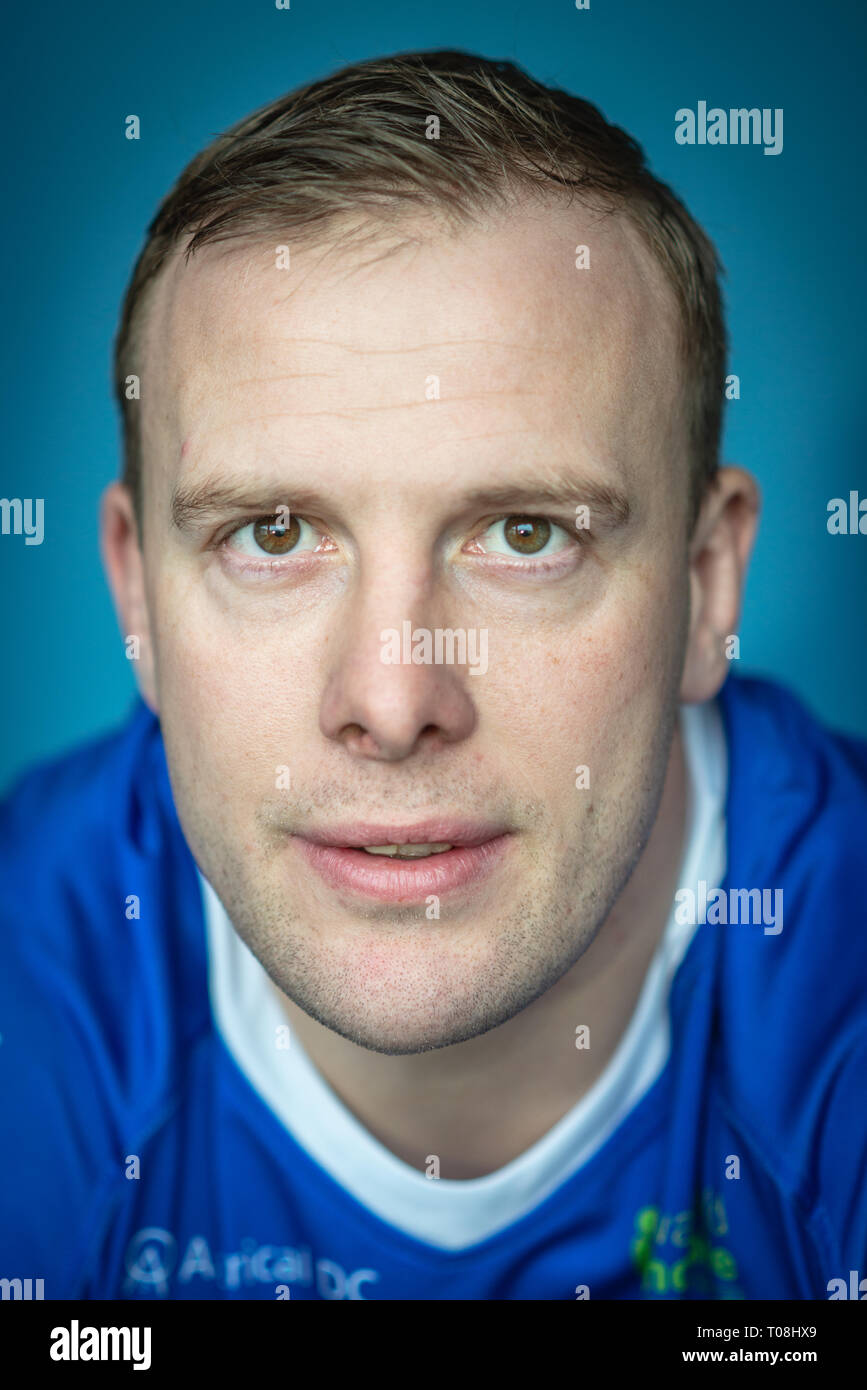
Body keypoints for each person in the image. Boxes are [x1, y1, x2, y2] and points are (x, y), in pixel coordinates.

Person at [1, 50, 865, 1302]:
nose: (396, 703)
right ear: (135, 592)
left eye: (527, 534)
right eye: (274, 535)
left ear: (705, 582)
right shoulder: (32, 973)